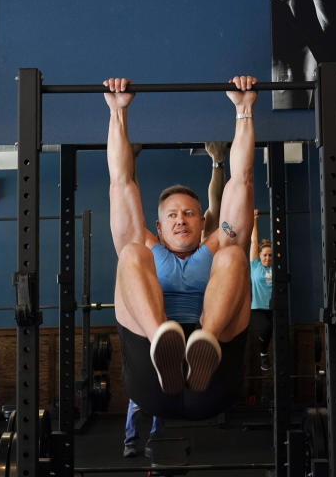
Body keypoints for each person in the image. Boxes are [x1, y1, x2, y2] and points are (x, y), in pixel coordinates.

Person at [105, 75, 256, 420]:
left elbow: (241, 180)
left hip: (215, 374)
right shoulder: (145, 245)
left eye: (189, 213)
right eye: (172, 215)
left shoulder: (219, 244)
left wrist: (244, 109)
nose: (180, 220)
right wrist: (117, 112)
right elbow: (120, 181)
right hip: (150, 374)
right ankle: (162, 339)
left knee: (235, 254)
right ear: (158, 226)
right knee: (129, 253)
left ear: (203, 221)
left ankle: (206, 341)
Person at [249, 212, 273, 371]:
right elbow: (253, 241)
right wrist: (254, 220)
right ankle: (263, 354)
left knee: (271, 330)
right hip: (257, 307)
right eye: (265, 255)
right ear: (259, 255)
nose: (267, 258)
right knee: (265, 327)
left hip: (273, 307)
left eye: (270, 255)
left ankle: (264, 353)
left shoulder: (275, 268)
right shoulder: (255, 265)